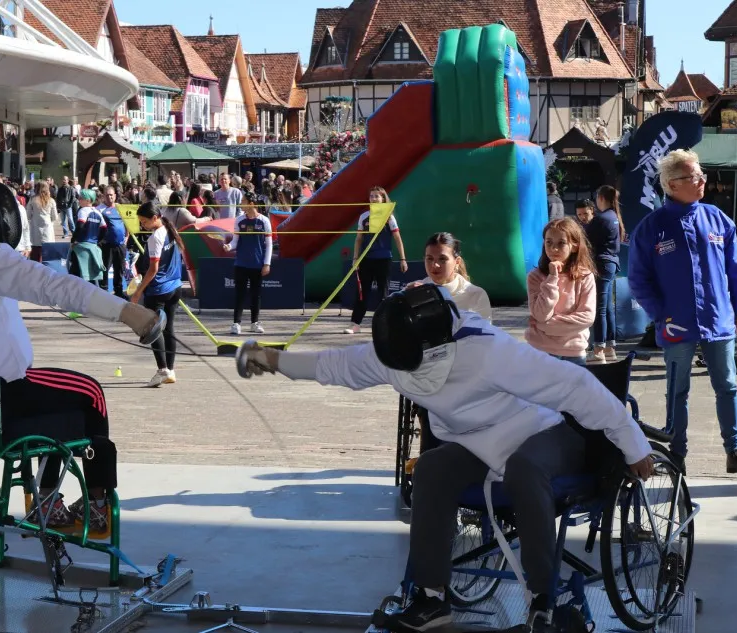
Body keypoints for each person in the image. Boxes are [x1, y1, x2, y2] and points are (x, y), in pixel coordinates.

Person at [235, 284, 654, 633]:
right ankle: (431, 598)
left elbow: (576, 386)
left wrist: (633, 444)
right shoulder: (394, 351)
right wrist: (271, 359)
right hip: (475, 444)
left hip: (541, 432)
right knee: (432, 468)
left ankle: (544, 599)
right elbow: (335, 365)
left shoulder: (488, 352)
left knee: (524, 469)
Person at [0, 181, 165, 529]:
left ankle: (47, 499)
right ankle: (93, 502)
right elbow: (56, 286)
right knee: (90, 393)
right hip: (3, 395)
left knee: (55, 401)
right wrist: (126, 312)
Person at [628, 149, 737, 476]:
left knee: (727, 386)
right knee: (677, 391)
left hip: (719, 319)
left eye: (701, 174)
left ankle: (734, 450)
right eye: (694, 176)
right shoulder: (651, 228)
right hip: (676, 325)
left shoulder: (718, 219)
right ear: (672, 184)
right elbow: (639, 279)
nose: (702, 181)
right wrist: (661, 315)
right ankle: (678, 454)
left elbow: (736, 269)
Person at [525, 218, 596, 366]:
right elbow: (540, 314)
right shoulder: (535, 276)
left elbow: (587, 317)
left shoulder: (585, 276)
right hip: (540, 351)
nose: (554, 249)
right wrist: (552, 278)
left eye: (561, 243)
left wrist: (545, 326)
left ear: (574, 246)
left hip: (574, 352)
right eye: (549, 242)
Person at [130, 202, 184, 388]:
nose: (142, 225)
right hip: (175, 287)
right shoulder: (170, 229)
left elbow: (153, 269)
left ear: (155, 218)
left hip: (159, 290)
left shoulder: (155, 238)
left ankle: (162, 370)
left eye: (144, 221)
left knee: (153, 329)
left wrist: (138, 291)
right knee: (169, 328)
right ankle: (170, 370)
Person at [344, 187, 407, 335]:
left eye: (377, 196)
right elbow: (359, 239)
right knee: (362, 294)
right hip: (366, 259)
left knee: (383, 294)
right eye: (371, 196)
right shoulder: (364, 216)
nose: (373, 199)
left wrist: (403, 259)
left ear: (383, 199)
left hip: (384, 259)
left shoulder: (389, 217)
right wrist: (355, 258)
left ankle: (384, 326)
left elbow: (397, 238)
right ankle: (355, 324)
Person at [405, 232, 491, 321]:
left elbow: (483, 329)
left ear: (457, 262)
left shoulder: (476, 295)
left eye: (442, 259)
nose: (435, 265)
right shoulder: (413, 291)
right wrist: (405, 303)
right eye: (430, 258)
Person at [224, 189, 272, 335]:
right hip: (241, 264)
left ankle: (254, 323)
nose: (241, 204)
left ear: (251, 204)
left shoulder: (264, 221)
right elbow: (235, 241)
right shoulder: (239, 220)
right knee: (240, 294)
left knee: (256, 295)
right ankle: (236, 323)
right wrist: (229, 246)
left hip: (257, 264)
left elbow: (269, 244)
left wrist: (267, 263)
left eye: (243, 202)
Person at [586, 186, 625, 363]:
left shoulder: (601, 218)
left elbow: (586, 241)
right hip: (611, 263)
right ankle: (609, 348)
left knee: (600, 308)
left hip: (601, 264)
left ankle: (598, 349)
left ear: (601, 198)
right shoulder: (614, 217)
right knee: (607, 307)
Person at [68, 189, 106, 285]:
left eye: (81, 198)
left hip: (81, 248)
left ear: (88, 200)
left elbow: (80, 226)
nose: (79, 200)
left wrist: (73, 240)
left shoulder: (83, 210)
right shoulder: (98, 212)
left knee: (76, 275)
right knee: (91, 276)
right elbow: (104, 228)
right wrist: (97, 241)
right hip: (93, 247)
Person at [98, 186, 128, 299]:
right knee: (105, 269)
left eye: (111, 195)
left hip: (120, 245)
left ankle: (119, 291)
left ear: (115, 196)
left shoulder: (121, 208)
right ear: (103, 196)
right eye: (107, 195)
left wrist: (127, 237)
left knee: (119, 269)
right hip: (106, 245)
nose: (109, 197)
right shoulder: (99, 209)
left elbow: (127, 223)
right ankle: (103, 292)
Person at [27, 182, 58, 262]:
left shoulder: (32, 200)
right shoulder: (51, 201)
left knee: (35, 254)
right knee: (47, 256)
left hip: (35, 228)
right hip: (47, 228)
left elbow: (28, 215)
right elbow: (55, 217)